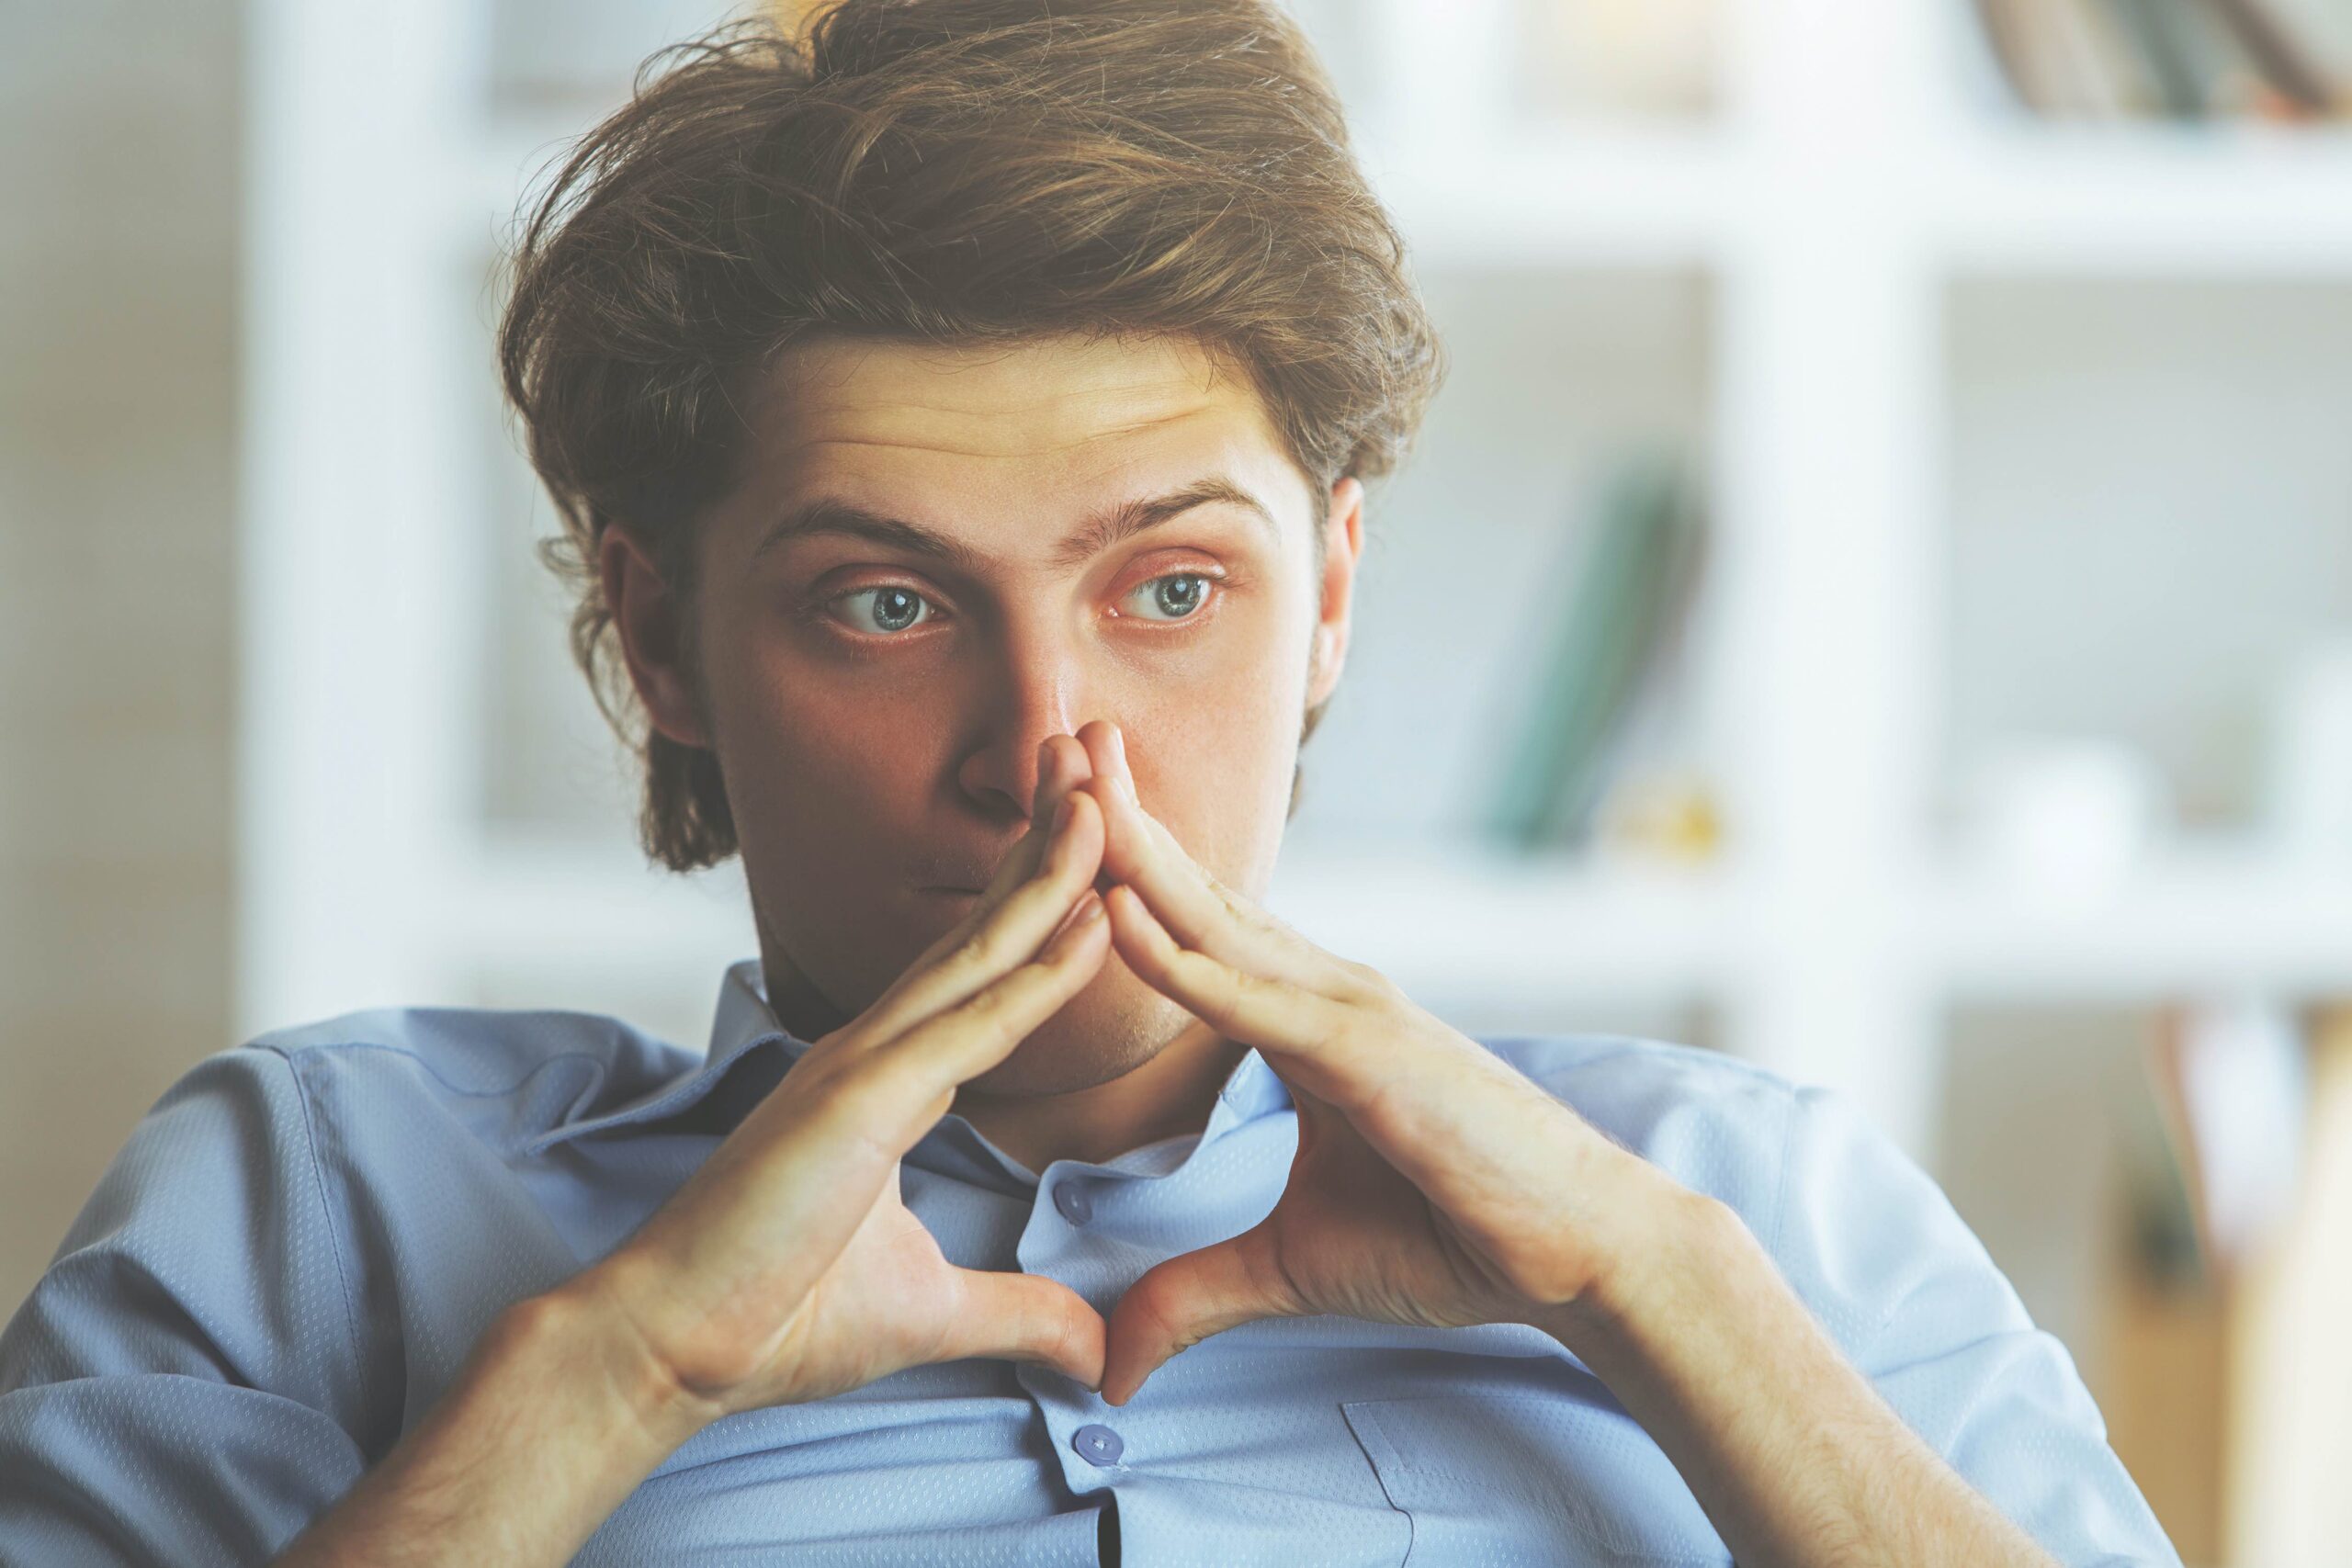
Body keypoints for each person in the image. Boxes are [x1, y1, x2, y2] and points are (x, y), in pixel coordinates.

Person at [0, 3, 2181, 1564]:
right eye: (882, 603)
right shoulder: (319, 1203)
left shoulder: (1744, 1213)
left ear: (1327, 596)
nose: (1050, 753)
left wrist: (1657, 1301)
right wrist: (621, 1369)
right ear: (664, 638)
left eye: (1167, 589)